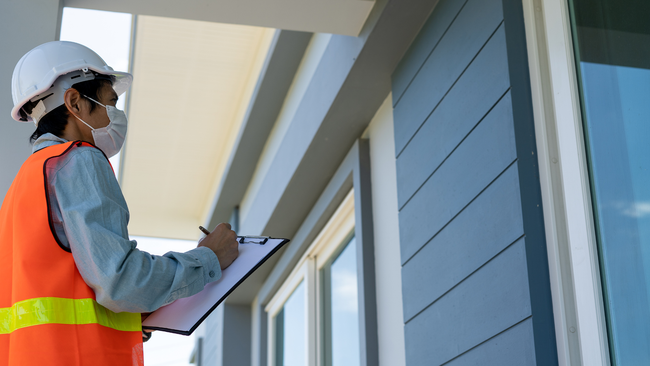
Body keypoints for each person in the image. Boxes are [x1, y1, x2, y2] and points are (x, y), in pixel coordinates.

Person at [0, 41, 239, 366]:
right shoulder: (79, 159)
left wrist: (136, 315)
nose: (116, 114)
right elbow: (120, 282)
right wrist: (210, 257)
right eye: (110, 102)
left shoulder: (23, 185)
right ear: (75, 102)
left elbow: (64, 295)